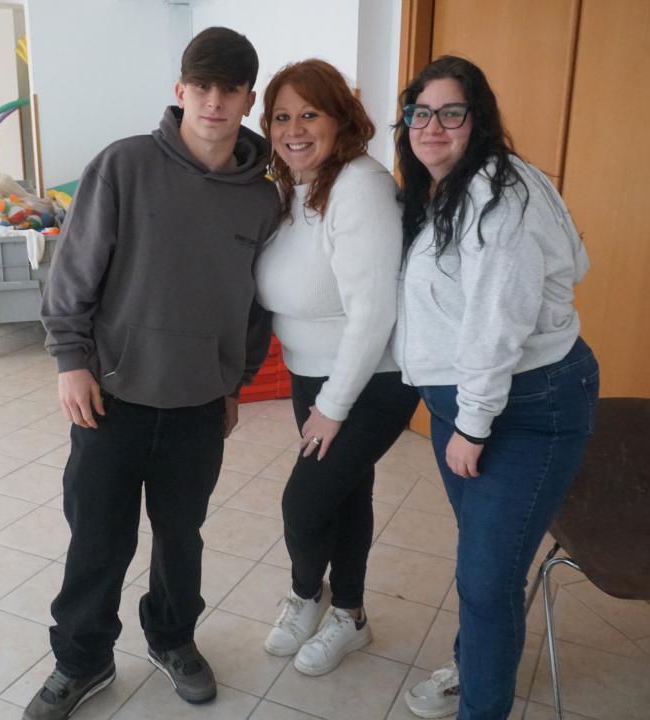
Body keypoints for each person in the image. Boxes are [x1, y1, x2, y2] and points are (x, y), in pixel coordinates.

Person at [26, 27, 280, 720]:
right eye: (202, 86)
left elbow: (255, 305)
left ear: (249, 99)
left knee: (180, 538)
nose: (214, 101)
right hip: (111, 395)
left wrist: (235, 384)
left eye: (230, 89)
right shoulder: (125, 164)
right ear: (180, 91)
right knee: (98, 539)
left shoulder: (261, 201)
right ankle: (82, 660)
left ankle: (172, 638)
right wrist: (70, 361)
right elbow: (73, 272)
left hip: (199, 403)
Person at [393, 56, 599, 719]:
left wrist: (472, 423)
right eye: (420, 112)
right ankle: (471, 665)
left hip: (522, 408)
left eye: (451, 112)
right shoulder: (449, 188)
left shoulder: (496, 195)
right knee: (483, 560)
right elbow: (575, 260)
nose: (432, 126)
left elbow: (496, 324)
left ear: (477, 119)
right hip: (468, 402)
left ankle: (480, 704)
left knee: (487, 578)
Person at [254, 59, 420, 676]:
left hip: (371, 380)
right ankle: (349, 614)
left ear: (340, 119)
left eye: (309, 114)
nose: (293, 129)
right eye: (281, 117)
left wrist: (332, 407)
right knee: (347, 494)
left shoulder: (360, 187)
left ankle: (308, 594)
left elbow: (374, 314)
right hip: (312, 372)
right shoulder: (292, 186)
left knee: (303, 504)